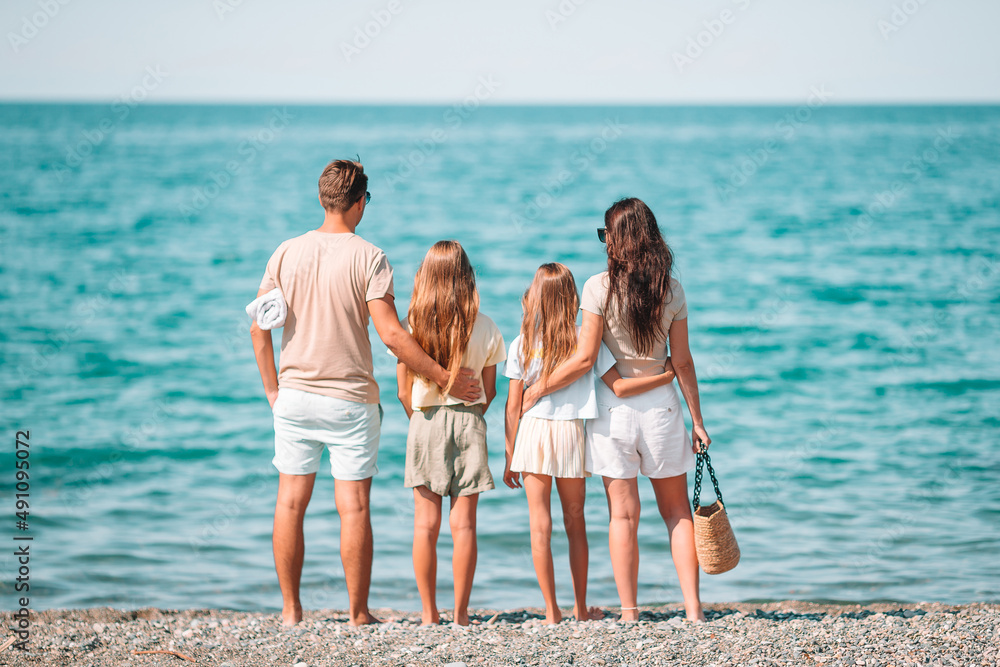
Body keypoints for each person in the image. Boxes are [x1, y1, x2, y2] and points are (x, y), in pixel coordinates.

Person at [249, 160, 480, 627]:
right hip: (350, 400)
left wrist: (273, 390)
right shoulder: (370, 257)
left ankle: (292, 611)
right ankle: (357, 613)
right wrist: (446, 377)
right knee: (352, 506)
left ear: (322, 199)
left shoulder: (284, 253)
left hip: (293, 396)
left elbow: (259, 327)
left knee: (290, 501)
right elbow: (393, 336)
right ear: (359, 203)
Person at [521, 198, 711, 623]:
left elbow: (585, 359)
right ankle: (694, 609)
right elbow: (681, 361)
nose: (604, 242)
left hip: (613, 414)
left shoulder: (597, 288)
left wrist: (538, 389)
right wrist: (697, 421)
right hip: (662, 410)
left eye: (605, 235)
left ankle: (629, 613)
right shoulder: (672, 290)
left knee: (623, 515)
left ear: (618, 240)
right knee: (677, 513)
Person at [395, 240, 506, 626]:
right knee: (465, 526)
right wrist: (470, 414)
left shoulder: (412, 327)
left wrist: (421, 415)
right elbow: (489, 391)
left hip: (424, 421)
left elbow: (401, 390)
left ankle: (428, 615)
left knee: (425, 525)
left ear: (425, 277)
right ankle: (460, 615)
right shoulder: (487, 326)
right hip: (469, 421)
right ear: (467, 277)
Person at [502, 263, 617, 624]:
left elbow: (512, 404)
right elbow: (613, 378)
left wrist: (509, 455)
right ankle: (580, 608)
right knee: (575, 521)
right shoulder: (585, 338)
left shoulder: (522, 342)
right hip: (569, 432)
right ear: (572, 298)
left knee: (540, 524)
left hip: (533, 432)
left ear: (535, 296)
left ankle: (551, 612)